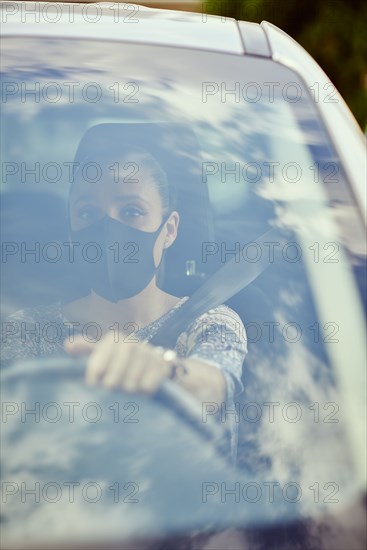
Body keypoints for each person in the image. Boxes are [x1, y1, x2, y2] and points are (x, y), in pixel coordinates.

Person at [1, 130, 247, 459]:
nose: (108, 230)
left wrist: (163, 371)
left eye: (131, 211)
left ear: (169, 229)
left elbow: (214, 385)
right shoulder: (27, 329)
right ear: (72, 232)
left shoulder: (211, 321)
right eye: (88, 213)